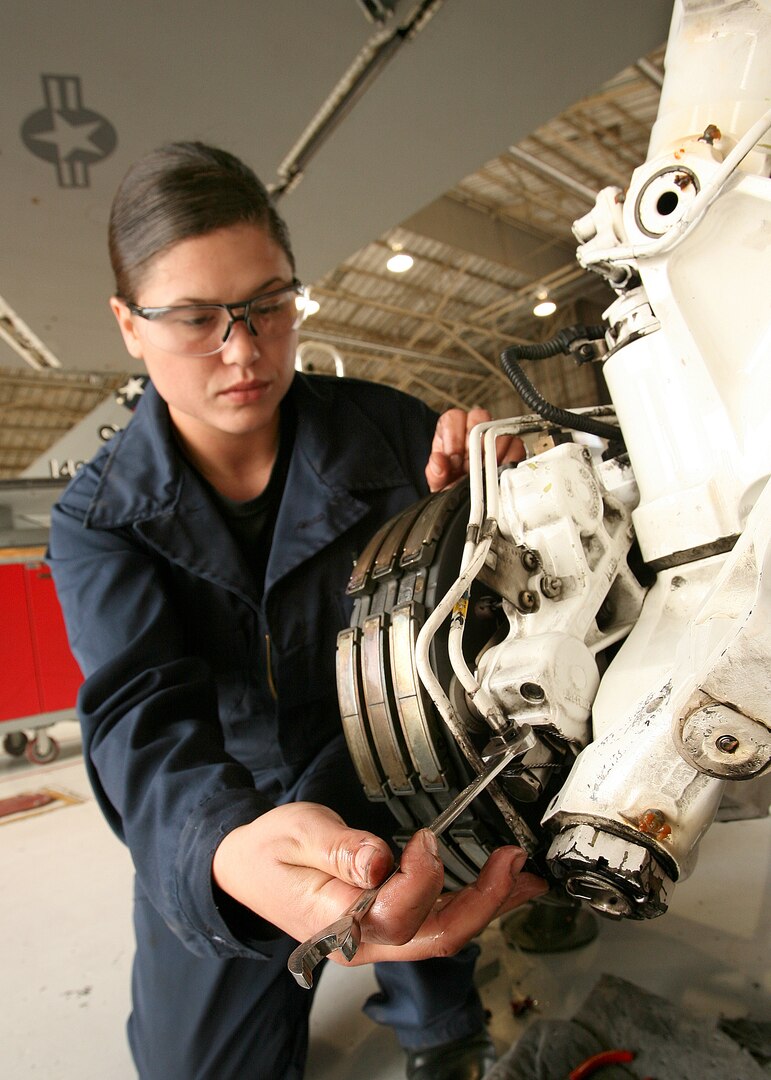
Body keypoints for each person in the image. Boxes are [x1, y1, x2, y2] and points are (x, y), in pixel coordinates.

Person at [48, 141, 547, 1080]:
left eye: (269, 305)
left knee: (432, 957)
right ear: (128, 324)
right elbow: (139, 718)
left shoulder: (393, 433)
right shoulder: (98, 521)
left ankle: (440, 1023)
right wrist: (220, 855)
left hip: (386, 775)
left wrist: (495, 497)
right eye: (196, 318)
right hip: (225, 809)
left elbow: (480, 616)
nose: (244, 349)